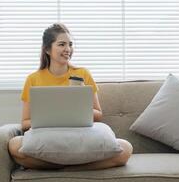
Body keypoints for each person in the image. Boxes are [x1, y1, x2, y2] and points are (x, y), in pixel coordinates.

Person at [8, 23, 133, 170]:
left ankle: (64, 169)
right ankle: (76, 167)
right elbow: (25, 123)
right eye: (62, 44)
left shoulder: (83, 74)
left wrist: (78, 108)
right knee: (14, 145)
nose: (68, 49)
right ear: (47, 49)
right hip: (49, 137)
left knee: (126, 148)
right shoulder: (33, 79)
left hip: (80, 136)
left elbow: (98, 115)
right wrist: (54, 115)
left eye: (70, 45)